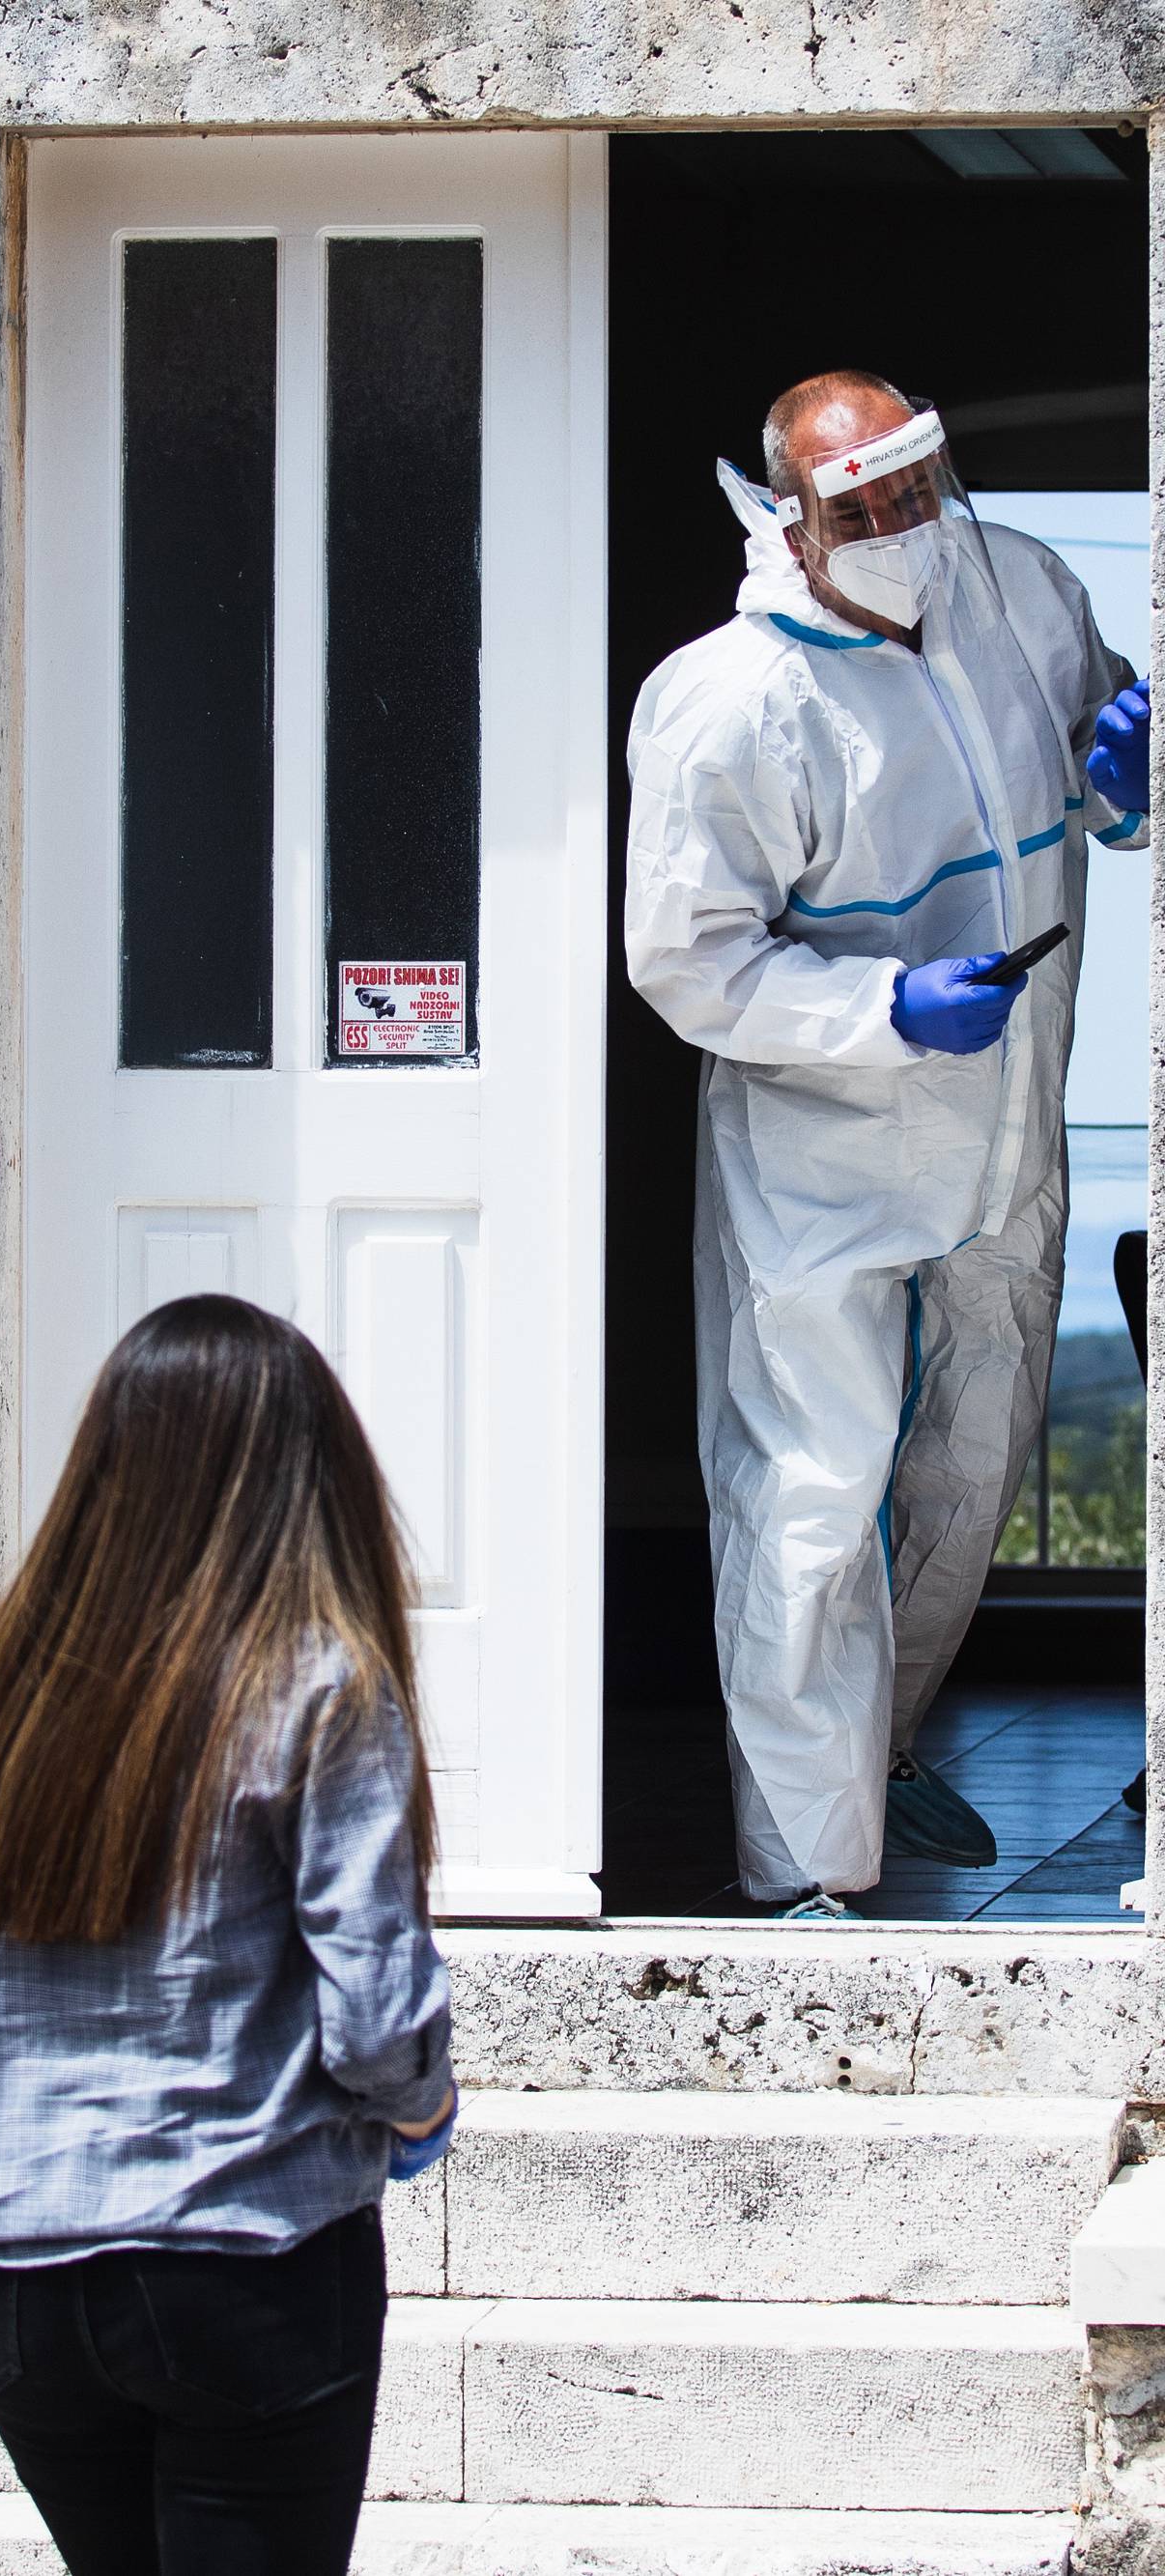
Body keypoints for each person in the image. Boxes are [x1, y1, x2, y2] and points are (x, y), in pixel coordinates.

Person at [626, 369, 1151, 1920]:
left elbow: (1102, 761)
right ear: (787, 515)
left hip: (1008, 1128)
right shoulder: (731, 699)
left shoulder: (1022, 588)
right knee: (810, 1492)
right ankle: (806, 1872)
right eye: (859, 506)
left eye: (915, 487)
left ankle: (883, 1745)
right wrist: (885, 1010)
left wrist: (1126, 791)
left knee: (972, 1464)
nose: (901, 526)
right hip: (825, 1153)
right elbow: (689, 963)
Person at [0, 1293, 457, 2576]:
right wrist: (421, 2110)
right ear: (307, 1473)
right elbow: (376, 2012)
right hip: (243, 2253)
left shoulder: (9, 1674)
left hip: (18, 2265)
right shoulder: (321, 1681)